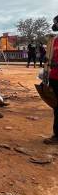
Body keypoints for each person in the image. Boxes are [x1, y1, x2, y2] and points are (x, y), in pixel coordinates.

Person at [44, 15, 58, 144]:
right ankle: (56, 135)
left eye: (56, 23)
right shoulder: (55, 40)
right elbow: (51, 58)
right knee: (56, 106)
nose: (54, 26)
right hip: (54, 77)